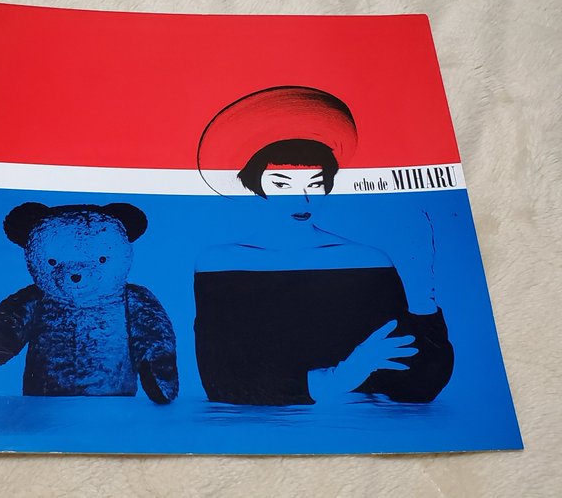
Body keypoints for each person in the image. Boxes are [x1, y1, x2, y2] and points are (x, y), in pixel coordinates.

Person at [194, 86, 454, 405]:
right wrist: (340, 376)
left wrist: (422, 289)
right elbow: (222, 381)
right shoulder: (221, 262)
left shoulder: (367, 259)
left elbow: (420, 382)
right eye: (282, 184)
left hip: (369, 425)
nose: (303, 200)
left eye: (315, 184)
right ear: (253, 183)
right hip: (258, 427)